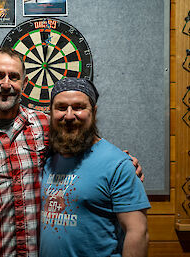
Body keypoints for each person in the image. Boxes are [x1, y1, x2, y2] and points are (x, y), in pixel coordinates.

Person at [0, 48, 143, 257]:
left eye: (14, 77)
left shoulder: (44, 125)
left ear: (24, 84)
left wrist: (125, 163)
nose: (6, 84)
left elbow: (83, 141)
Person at [40, 77, 150, 257]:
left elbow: (138, 232)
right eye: (61, 108)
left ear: (94, 111)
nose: (68, 115)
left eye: (78, 107)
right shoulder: (47, 158)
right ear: (51, 113)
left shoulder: (118, 164)